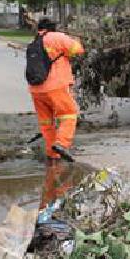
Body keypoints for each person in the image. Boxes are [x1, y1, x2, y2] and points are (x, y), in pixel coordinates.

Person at [30, 18, 85, 162]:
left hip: (36, 89)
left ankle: (52, 155)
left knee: (46, 122)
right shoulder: (56, 37)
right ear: (53, 27)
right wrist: (76, 39)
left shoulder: (36, 41)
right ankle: (61, 144)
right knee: (69, 114)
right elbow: (77, 50)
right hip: (56, 86)